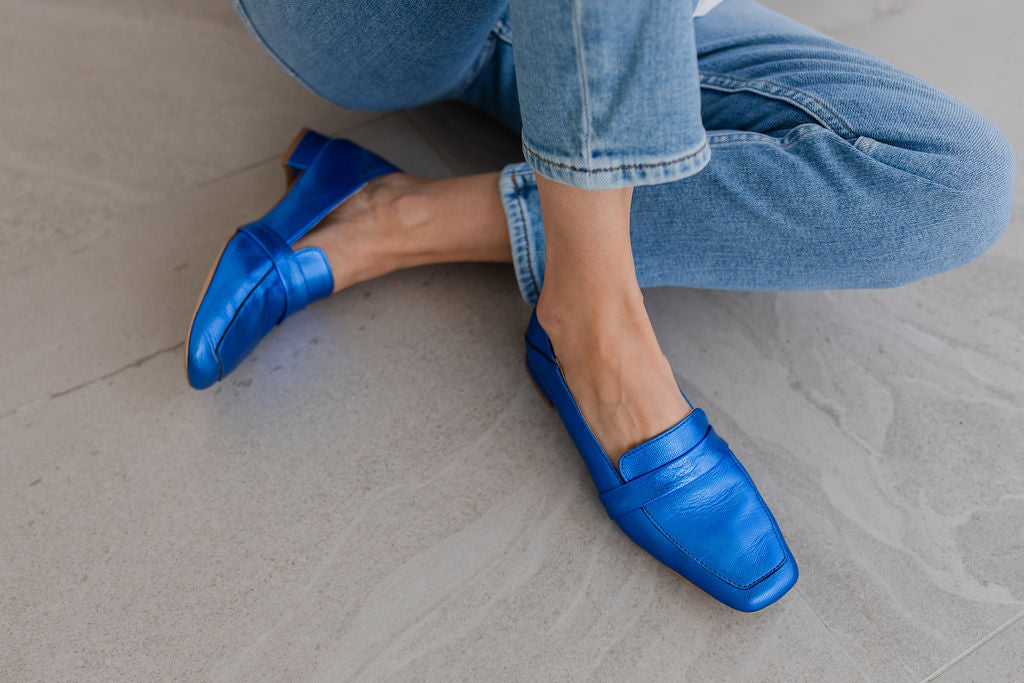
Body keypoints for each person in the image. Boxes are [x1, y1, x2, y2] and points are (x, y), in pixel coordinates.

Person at [185, 0, 1015, 611]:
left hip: (636, 36)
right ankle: (595, 323)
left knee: (956, 182)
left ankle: (400, 219)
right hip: (397, 22)